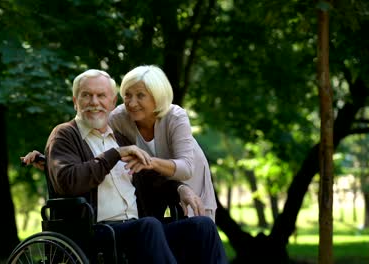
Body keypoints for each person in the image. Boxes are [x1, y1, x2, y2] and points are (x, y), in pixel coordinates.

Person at [26, 69, 227, 264]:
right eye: (86, 95)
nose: (94, 102)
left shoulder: (120, 138)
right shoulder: (64, 135)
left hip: (138, 228)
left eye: (101, 96)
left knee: (202, 226)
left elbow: (150, 179)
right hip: (96, 231)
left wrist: (180, 188)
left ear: (113, 103)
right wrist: (115, 155)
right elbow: (68, 181)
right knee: (149, 226)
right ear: (75, 101)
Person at [108, 65, 217, 221]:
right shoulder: (118, 118)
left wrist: (151, 162)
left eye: (140, 95)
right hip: (154, 180)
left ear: (157, 97)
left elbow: (186, 168)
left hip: (190, 175)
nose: (132, 103)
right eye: (127, 95)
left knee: (196, 227)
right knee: (153, 228)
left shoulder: (175, 116)